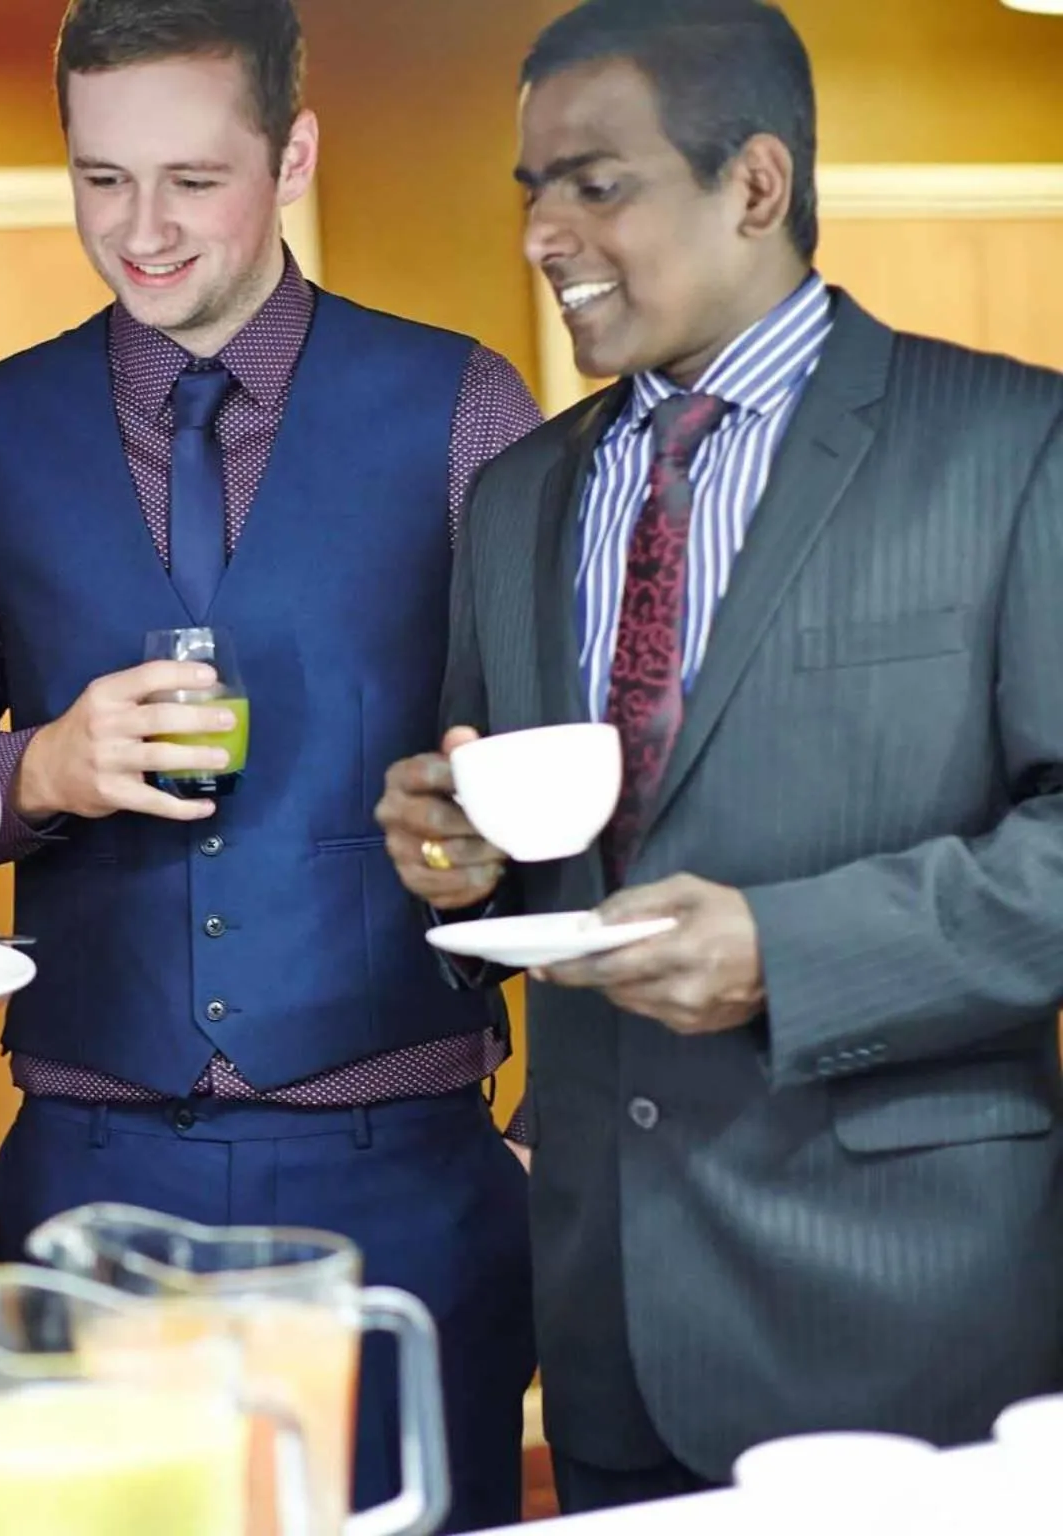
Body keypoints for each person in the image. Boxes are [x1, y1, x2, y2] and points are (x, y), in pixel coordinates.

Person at [0, 0, 542, 1526]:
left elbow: (569, 773)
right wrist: (35, 771)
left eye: (190, 180)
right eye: (100, 180)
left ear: (290, 155)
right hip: (93, 1170)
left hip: (401, 1167)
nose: (140, 230)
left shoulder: (464, 406)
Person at [377, 0, 1063, 1514]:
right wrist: (452, 860)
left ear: (754, 183)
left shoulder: (1018, 448)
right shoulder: (514, 496)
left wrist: (791, 951)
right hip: (608, 1318)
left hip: (913, 1316)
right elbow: (509, 842)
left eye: (594, 182)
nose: (546, 232)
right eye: (529, 191)